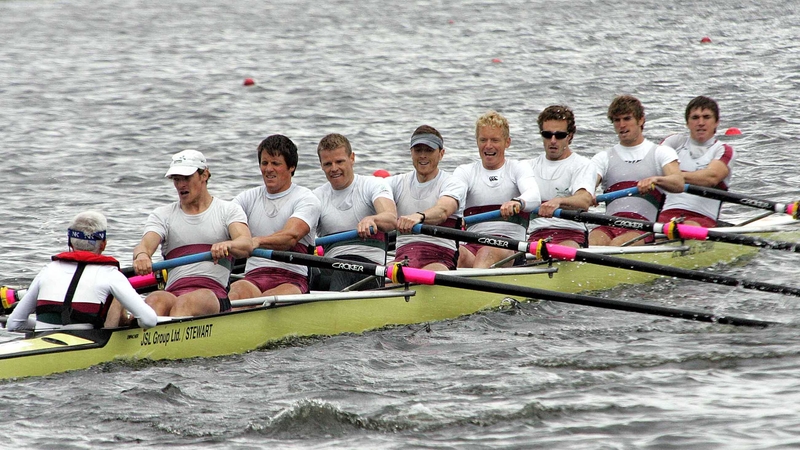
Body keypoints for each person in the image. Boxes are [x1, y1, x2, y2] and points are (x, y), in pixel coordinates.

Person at [132, 150, 253, 317]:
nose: (181, 185)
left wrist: (228, 244)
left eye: (186, 178)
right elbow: (144, 245)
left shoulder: (228, 210)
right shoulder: (163, 215)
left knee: (187, 303)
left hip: (212, 295)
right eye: (176, 179)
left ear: (204, 175)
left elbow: (246, 244)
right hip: (173, 293)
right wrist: (142, 256)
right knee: (154, 301)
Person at [6, 211, 158, 332]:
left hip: (42, 339)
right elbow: (150, 320)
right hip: (88, 343)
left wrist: (43, 326)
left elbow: (14, 324)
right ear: (103, 244)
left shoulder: (48, 269)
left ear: (70, 242)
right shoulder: (110, 274)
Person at [228, 135, 321, 301]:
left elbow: (290, 237)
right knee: (234, 294)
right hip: (253, 277)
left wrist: (256, 241)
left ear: (291, 167)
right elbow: (222, 222)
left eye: (275, 163)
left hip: (292, 279)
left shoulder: (306, 198)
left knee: (267, 300)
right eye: (264, 163)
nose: (268, 169)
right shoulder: (247, 198)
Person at [589, 95, 684, 246]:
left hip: (643, 228)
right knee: (591, 244)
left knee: (616, 246)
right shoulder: (603, 157)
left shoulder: (661, 153)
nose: (621, 125)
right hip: (609, 225)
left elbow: (678, 182)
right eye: (616, 120)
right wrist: (586, 193)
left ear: (641, 120)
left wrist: (656, 180)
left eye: (627, 119)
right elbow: (587, 184)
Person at [453, 110, 541, 268]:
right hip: (472, 247)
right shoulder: (464, 172)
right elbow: (451, 200)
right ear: (477, 141)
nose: (488, 146)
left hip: (510, 248)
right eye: (483, 140)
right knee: (452, 253)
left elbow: (534, 196)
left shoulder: (518, 168)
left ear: (507, 142)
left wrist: (518, 202)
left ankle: (474, 291)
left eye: (495, 140)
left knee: (486, 252)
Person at [313, 133, 398, 290]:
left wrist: (373, 219)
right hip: (331, 266)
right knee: (306, 272)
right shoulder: (316, 197)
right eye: (327, 164)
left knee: (342, 273)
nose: (334, 169)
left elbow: (391, 219)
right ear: (321, 165)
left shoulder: (373, 185)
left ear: (352, 158)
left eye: (339, 161)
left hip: (369, 269)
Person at [389, 125, 467, 271]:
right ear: (411, 153)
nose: (423, 155)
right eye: (418, 150)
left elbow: (443, 210)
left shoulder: (452, 183)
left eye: (429, 150)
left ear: (441, 153)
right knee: (375, 280)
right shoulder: (396, 183)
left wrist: (419, 216)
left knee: (425, 277)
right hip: (403, 258)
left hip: (440, 259)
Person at [657, 96, 735, 227]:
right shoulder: (674, 142)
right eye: (695, 118)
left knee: (688, 226)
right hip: (667, 216)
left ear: (716, 122)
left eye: (706, 117)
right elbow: (655, 165)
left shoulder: (723, 150)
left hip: (702, 219)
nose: (701, 122)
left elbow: (711, 177)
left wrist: (674, 177)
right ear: (687, 123)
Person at [526, 105, 596, 248]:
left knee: (562, 249)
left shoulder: (582, 165)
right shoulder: (528, 166)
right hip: (536, 235)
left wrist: (559, 201)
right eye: (547, 135)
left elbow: (584, 200)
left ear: (569, 136)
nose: (553, 140)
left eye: (559, 135)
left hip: (571, 234)